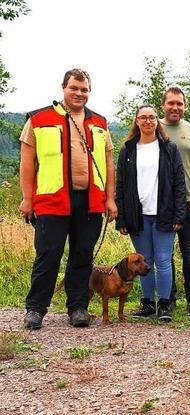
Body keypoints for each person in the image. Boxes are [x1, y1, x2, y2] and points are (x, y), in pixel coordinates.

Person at [20, 68, 117, 330]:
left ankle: (77, 307)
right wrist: (27, 199)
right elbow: (27, 162)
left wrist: (111, 199)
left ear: (89, 92)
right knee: (48, 253)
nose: (79, 93)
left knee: (82, 254)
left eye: (84, 89)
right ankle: (36, 309)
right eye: (74, 88)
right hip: (51, 200)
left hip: (91, 201)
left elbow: (108, 163)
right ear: (63, 87)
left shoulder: (99, 123)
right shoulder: (38, 119)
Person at [115, 105, 186, 322]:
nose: (147, 121)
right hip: (138, 215)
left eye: (152, 117)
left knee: (163, 260)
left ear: (157, 121)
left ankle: (164, 304)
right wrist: (121, 219)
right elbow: (121, 186)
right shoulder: (127, 150)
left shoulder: (169, 148)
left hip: (164, 213)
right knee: (143, 262)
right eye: (143, 118)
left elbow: (179, 184)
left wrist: (179, 215)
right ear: (136, 121)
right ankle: (147, 303)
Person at [160, 87, 190, 316]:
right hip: (162, 203)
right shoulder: (154, 128)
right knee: (164, 253)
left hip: (189, 201)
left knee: (189, 251)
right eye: (171, 103)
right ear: (163, 105)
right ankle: (168, 299)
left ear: (185, 106)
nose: (175, 107)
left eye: (179, 103)